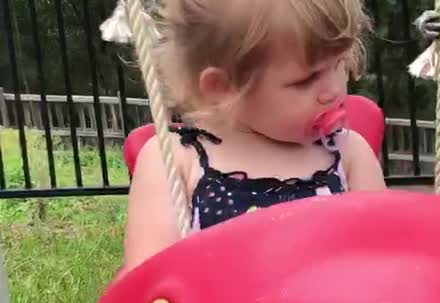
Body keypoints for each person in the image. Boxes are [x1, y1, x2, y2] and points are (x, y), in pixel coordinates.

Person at [122, 0, 387, 273]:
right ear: (222, 88)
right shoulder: (176, 161)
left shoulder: (349, 155)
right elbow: (149, 289)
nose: (334, 89)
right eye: (306, 80)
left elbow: (386, 261)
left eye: (340, 63)